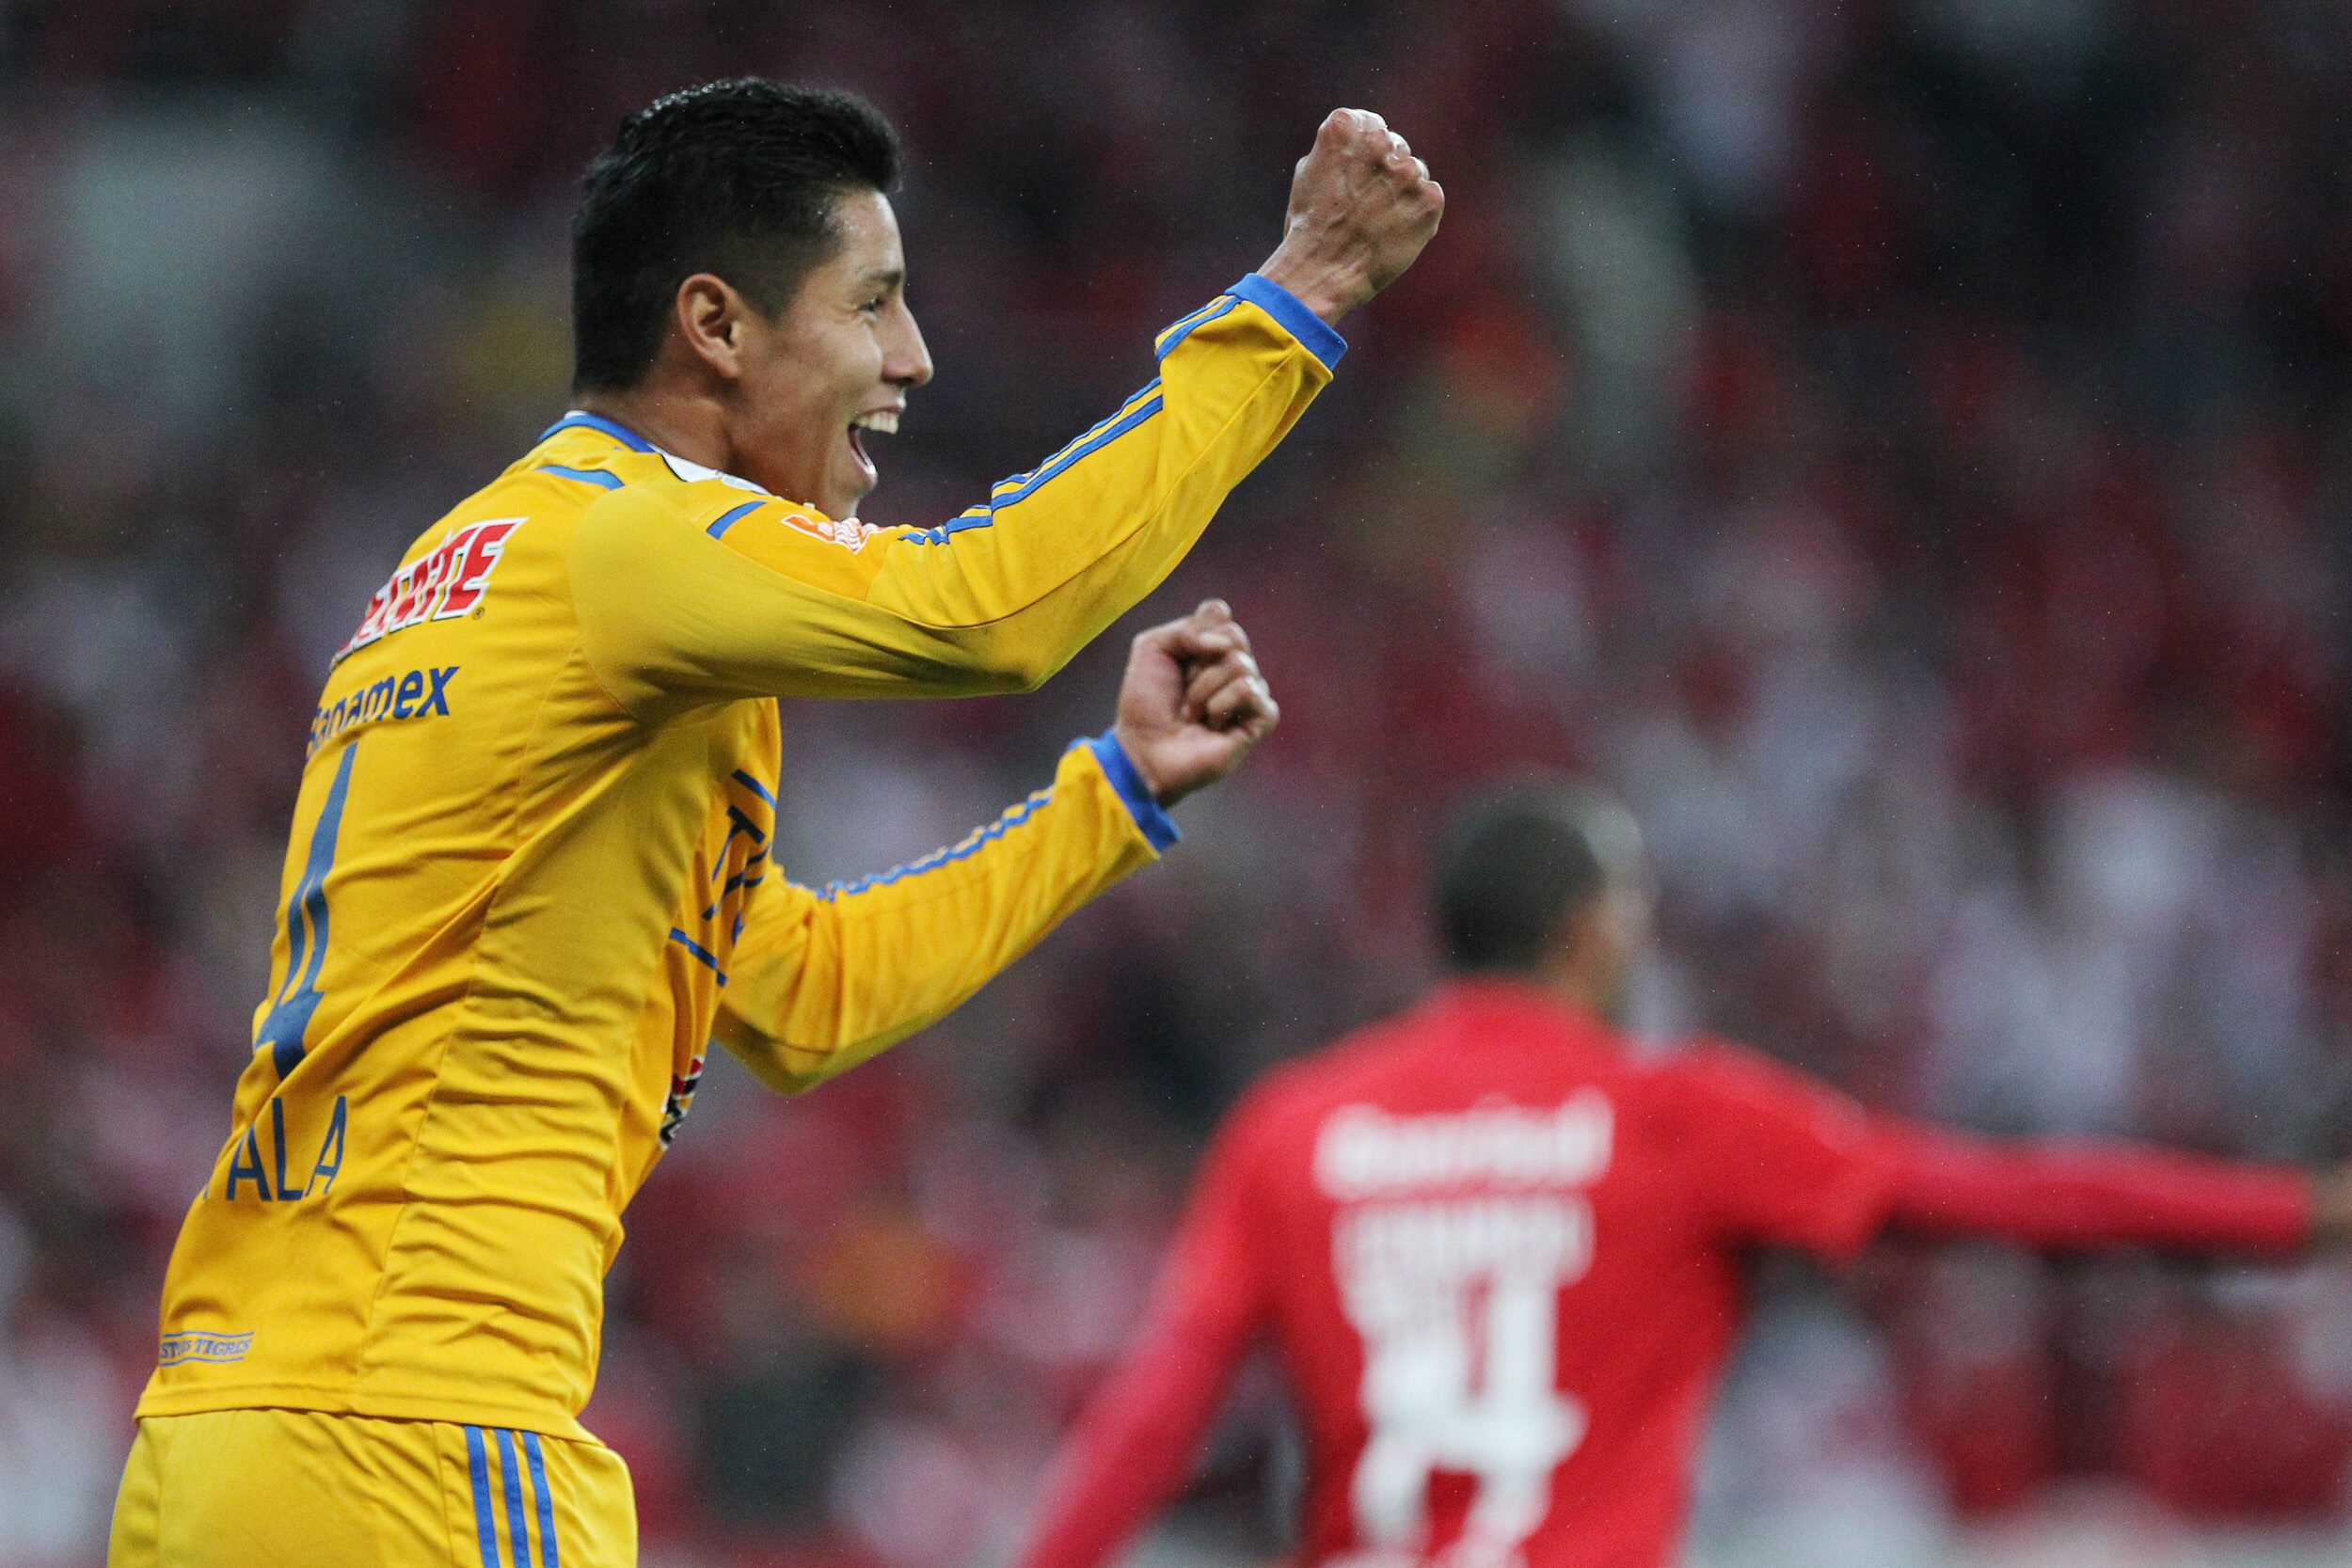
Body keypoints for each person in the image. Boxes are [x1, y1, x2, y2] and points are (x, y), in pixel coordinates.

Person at [109, 80, 1440, 1567]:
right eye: (872, 302)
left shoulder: (476, 570)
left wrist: (1111, 799)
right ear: (716, 327)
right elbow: (981, 611)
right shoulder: (630, 541)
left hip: (224, 1440)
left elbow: (796, 997)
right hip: (418, 1428)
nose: (913, 356)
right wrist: (1295, 303)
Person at [1018, 779, 2352, 1568]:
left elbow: (1152, 1417)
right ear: (1591, 931)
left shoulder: (1295, 1128)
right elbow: (2010, 1198)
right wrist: (2297, 1212)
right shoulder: (1678, 1117)